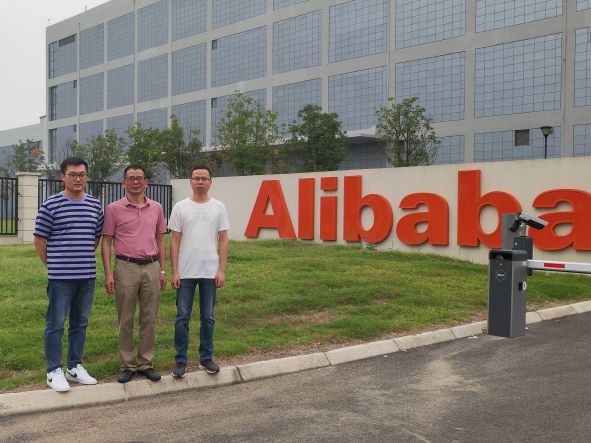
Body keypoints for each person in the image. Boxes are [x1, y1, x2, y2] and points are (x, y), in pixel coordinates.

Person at [34, 157, 104, 392]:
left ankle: (74, 367)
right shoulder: (51, 205)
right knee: (55, 324)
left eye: (82, 174)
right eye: (72, 174)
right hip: (60, 278)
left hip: (86, 276)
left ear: (87, 176)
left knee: (80, 323)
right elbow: (39, 239)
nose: (78, 179)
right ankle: (53, 370)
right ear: (62, 176)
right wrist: (53, 265)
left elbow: (95, 237)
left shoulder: (95, 205)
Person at [101, 166, 167, 383]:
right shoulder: (113, 209)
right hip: (125, 267)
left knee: (149, 318)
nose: (135, 182)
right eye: (131, 178)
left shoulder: (156, 208)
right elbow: (107, 241)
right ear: (124, 183)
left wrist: (162, 269)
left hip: (151, 267)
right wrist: (108, 273)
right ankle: (127, 364)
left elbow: (160, 239)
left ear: (146, 182)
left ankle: (145, 362)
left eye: (139, 178)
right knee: (125, 318)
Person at [169, 165, 229, 378]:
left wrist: (221, 270)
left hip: (210, 272)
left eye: (204, 178)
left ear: (211, 182)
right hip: (185, 272)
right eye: (196, 178)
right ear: (190, 181)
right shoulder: (180, 207)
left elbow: (223, 240)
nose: (200, 182)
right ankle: (180, 361)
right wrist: (174, 271)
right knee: (182, 318)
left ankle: (206, 358)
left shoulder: (219, 207)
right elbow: (174, 240)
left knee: (208, 317)